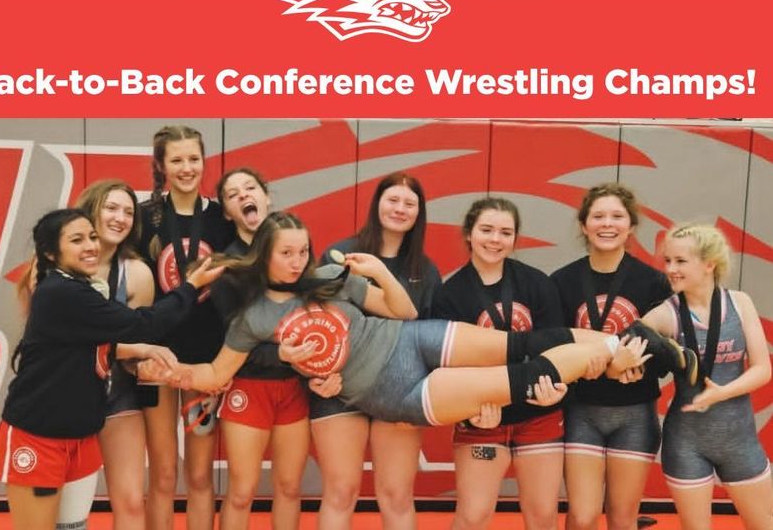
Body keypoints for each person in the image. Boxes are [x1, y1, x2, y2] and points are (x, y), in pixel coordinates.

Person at [139, 212, 660, 430]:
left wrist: (379, 274)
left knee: (527, 343)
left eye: (302, 250)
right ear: (266, 255)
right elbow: (215, 374)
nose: (297, 261)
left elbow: (404, 310)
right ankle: (623, 353)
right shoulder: (254, 317)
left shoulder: (329, 276)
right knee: (521, 378)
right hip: (390, 391)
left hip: (412, 338)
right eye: (286, 253)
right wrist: (174, 373)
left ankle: (629, 349)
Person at [0, 206, 219, 530]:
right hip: (39, 436)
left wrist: (138, 349)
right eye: (77, 240)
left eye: (92, 237)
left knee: (73, 527)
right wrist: (191, 285)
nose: (90, 246)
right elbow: (145, 323)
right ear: (50, 253)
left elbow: (83, 346)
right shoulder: (61, 292)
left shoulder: (81, 288)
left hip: (81, 435)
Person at [312, 174, 441, 530]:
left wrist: (415, 395)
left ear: (419, 213)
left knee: (396, 495)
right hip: (339, 390)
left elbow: (430, 336)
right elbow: (315, 321)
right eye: (392, 200)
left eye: (409, 203)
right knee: (341, 492)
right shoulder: (340, 256)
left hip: (398, 391)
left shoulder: (426, 271)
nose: (400, 209)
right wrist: (319, 376)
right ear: (377, 204)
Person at [433, 198, 564, 530]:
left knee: (543, 516)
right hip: (483, 421)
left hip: (538, 415)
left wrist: (556, 389)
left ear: (515, 238)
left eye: (505, 232)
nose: (495, 239)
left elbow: (557, 348)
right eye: (487, 230)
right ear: (469, 233)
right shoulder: (450, 294)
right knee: (473, 515)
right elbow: (448, 366)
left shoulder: (537, 283)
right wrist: (470, 411)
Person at [550, 185, 674, 530]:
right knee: (582, 516)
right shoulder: (561, 281)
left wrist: (636, 365)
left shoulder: (654, 282)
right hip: (581, 413)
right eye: (598, 216)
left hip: (635, 416)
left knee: (623, 519)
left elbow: (665, 355)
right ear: (584, 224)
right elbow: (554, 347)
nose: (607, 224)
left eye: (617, 216)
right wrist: (608, 367)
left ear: (630, 226)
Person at [639, 223, 772, 530]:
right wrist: (623, 361)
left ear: (709, 264)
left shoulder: (739, 303)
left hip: (739, 440)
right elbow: (626, 344)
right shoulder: (665, 313)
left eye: (680, 261)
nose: (670, 269)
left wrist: (720, 392)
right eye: (668, 260)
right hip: (686, 442)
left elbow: (762, 369)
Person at [210, 169, 320, 530]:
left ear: (266, 196)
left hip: (293, 389)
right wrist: (278, 354)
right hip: (248, 386)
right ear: (227, 212)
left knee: (290, 487)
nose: (244, 195)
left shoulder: (299, 260)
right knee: (242, 491)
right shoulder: (229, 271)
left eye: (250, 187)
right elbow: (230, 344)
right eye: (233, 193)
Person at [136, 126, 233, 530]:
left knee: (199, 474)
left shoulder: (221, 218)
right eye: (176, 160)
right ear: (161, 165)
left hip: (205, 362)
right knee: (162, 474)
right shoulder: (144, 217)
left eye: (193, 158)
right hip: (156, 359)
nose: (186, 168)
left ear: (204, 160)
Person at [76, 180, 157, 530]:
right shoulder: (53, 265)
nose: (120, 218)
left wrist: (147, 363)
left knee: (130, 501)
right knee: (65, 508)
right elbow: (54, 343)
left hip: (118, 396)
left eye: (128, 212)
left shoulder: (137, 273)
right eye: (111, 208)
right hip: (64, 395)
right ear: (91, 209)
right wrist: (139, 349)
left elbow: (135, 349)